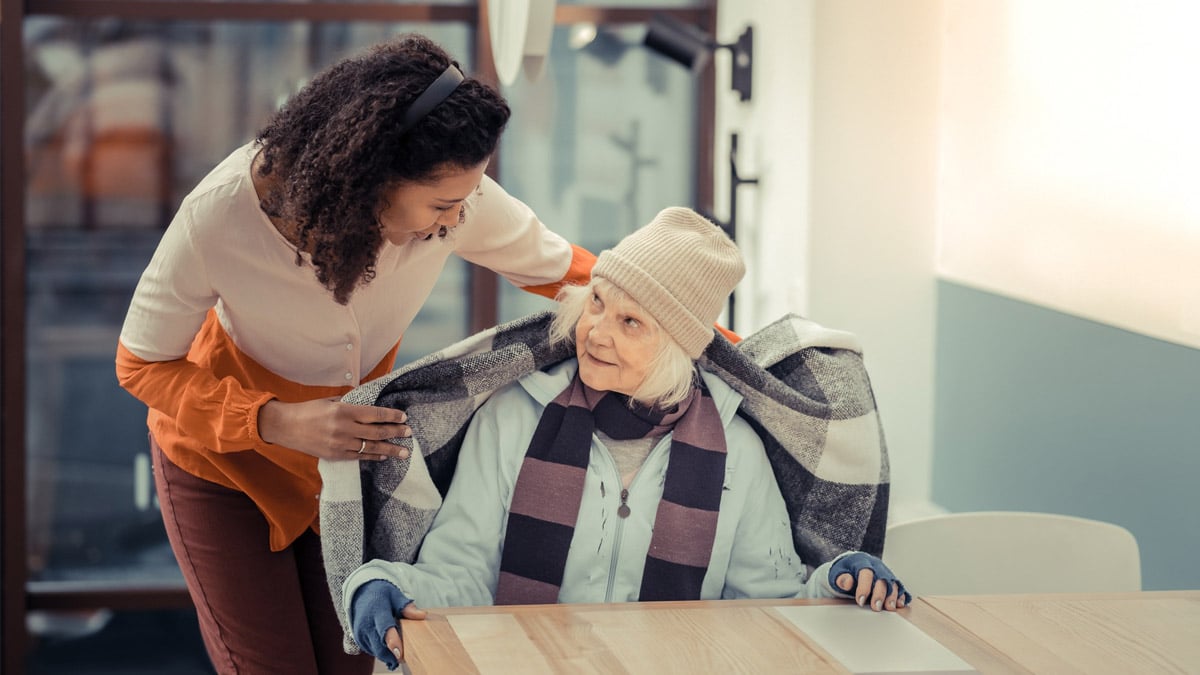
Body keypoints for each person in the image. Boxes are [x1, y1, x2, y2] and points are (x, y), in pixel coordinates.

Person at [115, 34, 595, 675]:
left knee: (358, 661)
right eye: (443, 206)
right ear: (370, 178)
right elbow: (141, 363)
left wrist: (700, 330)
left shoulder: (458, 201)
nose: (457, 221)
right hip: (223, 467)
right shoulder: (219, 216)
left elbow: (574, 274)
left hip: (340, 473)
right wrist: (278, 420)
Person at [342, 207, 910, 671]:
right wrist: (383, 580)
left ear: (676, 346)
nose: (596, 332)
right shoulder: (512, 419)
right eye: (596, 302)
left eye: (631, 322)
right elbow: (461, 573)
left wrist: (838, 582)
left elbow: (765, 603)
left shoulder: (737, 449)